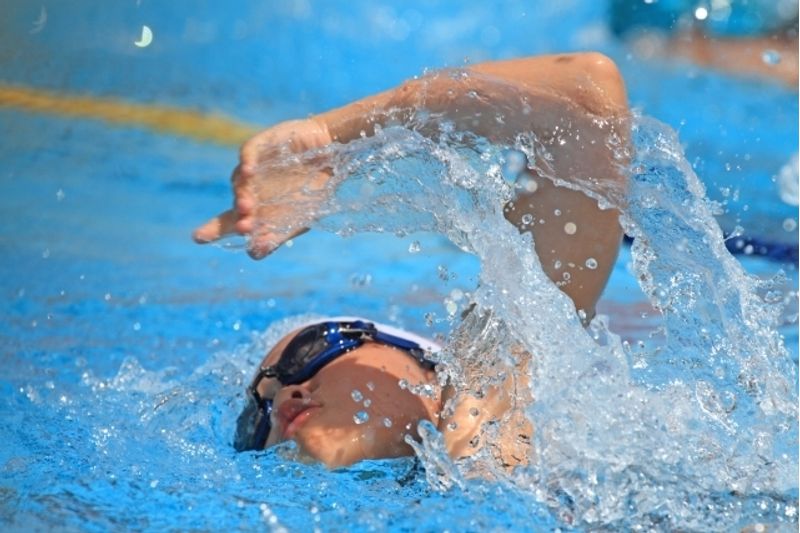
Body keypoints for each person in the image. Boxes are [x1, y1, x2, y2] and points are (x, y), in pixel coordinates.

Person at [193, 53, 630, 468]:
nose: (285, 399)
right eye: (256, 424)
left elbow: (584, 94)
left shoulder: (491, 415)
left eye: (314, 351)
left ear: (430, 376)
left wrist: (331, 138)